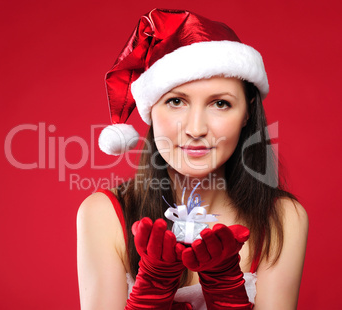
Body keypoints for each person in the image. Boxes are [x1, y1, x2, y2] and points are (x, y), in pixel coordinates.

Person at [77, 8, 308, 310]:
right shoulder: (104, 214)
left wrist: (227, 293)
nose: (196, 129)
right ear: (151, 110)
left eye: (220, 103)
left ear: (247, 112)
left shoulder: (283, 218)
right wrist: (153, 292)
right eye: (175, 101)